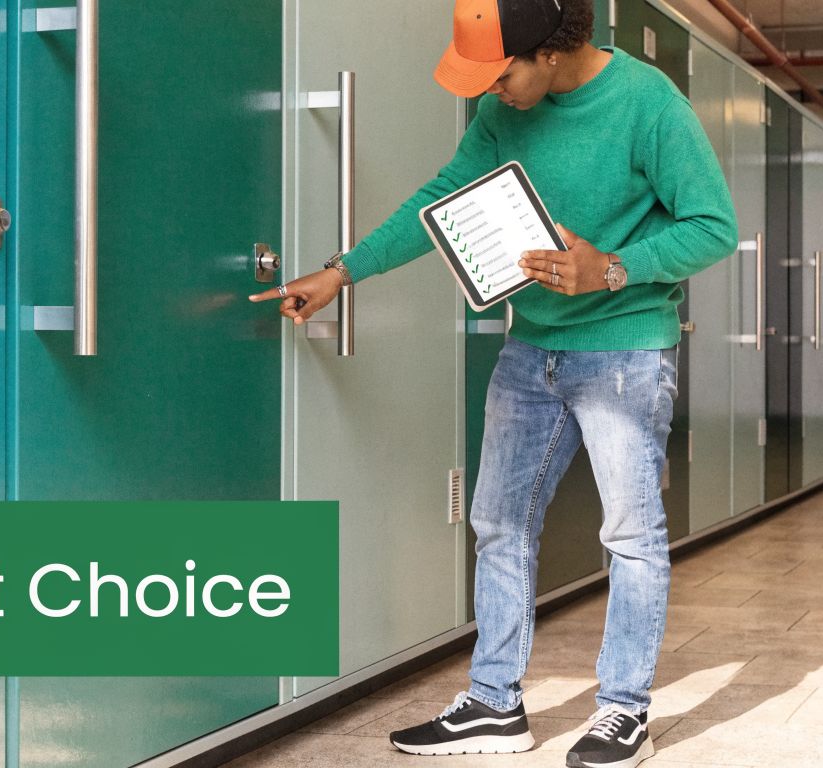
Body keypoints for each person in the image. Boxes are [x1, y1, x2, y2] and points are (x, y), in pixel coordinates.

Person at [251, 0, 736, 765]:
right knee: (499, 523)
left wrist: (609, 269)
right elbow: (437, 202)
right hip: (530, 349)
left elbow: (713, 225)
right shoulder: (502, 112)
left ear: (549, 53)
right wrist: (343, 272)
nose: (490, 90)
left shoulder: (649, 105)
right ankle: (493, 703)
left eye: (501, 71)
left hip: (625, 353)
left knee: (631, 538)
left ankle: (622, 711)